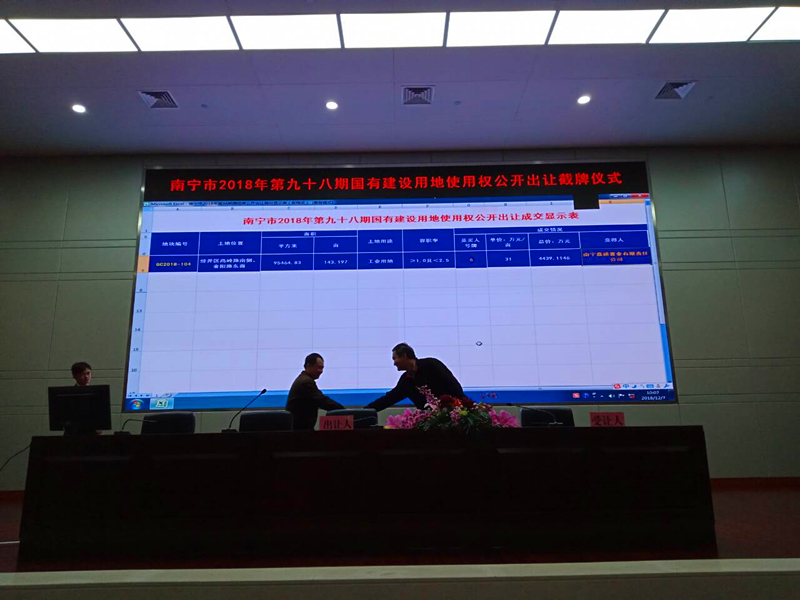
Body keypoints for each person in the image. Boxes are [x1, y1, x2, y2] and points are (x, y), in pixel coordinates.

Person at [365, 343, 465, 412]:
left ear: (404, 356)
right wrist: (364, 411)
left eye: (395, 358)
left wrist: (463, 406)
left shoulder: (431, 364)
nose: (394, 363)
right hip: (429, 423)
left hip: (454, 415)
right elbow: (389, 399)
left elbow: (453, 385)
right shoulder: (406, 380)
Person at [285, 353, 345, 430]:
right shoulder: (306, 382)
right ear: (309, 366)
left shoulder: (303, 379)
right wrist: (343, 411)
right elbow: (323, 401)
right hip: (300, 431)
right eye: (319, 367)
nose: (321, 371)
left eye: (322, 368)